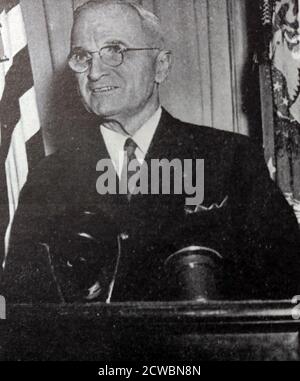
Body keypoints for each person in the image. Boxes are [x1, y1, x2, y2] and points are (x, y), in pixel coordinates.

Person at [1, 0, 300, 303]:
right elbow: (20, 306)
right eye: (82, 56)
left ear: (161, 65)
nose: (94, 72)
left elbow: (288, 280)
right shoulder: (49, 178)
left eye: (114, 50)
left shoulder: (230, 158)